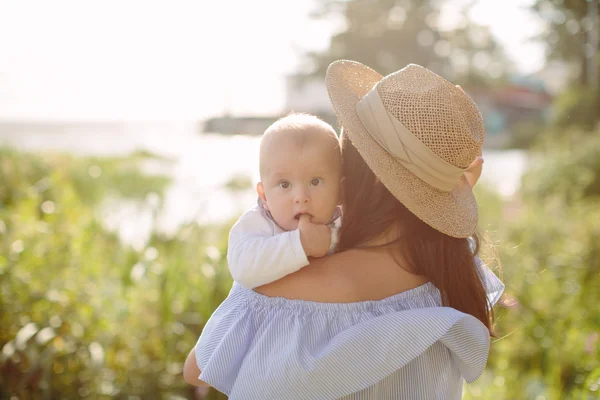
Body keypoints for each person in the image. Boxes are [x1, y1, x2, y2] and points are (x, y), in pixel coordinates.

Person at [183, 60, 504, 399]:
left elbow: (199, 369)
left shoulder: (281, 292)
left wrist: (269, 252)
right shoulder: (454, 268)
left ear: (359, 171)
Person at [227, 113, 343, 289]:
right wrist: (301, 244)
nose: (301, 197)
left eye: (315, 182)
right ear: (264, 196)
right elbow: (241, 267)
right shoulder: (258, 223)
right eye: (284, 184)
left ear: (340, 191)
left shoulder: (344, 224)